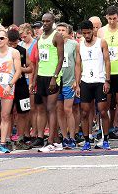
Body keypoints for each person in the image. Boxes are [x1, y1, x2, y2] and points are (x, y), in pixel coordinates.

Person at [75, 19, 111, 151]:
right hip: (85, 81)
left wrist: (107, 80)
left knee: (102, 111)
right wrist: (77, 83)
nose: (86, 35)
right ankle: (86, 141)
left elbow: (107, 61)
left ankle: (105, 139)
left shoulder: (101, 42)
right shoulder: (80, 45)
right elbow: (78, 64)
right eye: (84, 33)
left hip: (100, 80)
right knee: (84, 112)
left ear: (93, 31)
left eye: (88, 32)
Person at [98, 5, 118, 145]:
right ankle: (104, 136)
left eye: (114, 18)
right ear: (106, 17)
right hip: (106, 73)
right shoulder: (101, 31)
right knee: (104, 105)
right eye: (110, 18)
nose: (112, 21)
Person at [33, 13, 65, 152]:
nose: (45, 23)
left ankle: (50, 141)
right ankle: (57, 141)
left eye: (48, 21)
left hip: (53, 76)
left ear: (53, 22)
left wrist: (55, 76)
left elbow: (60, 58)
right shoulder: (40, 38)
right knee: (46, 109)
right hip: (41, 75)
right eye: (43, 21)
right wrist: (35, 79)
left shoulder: (57, 36)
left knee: (51, 109)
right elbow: (40, 60)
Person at [55, 22, 78, 150]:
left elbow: (77, 63)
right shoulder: (53, 45)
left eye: (63, 30)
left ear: (68, 32)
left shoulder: (73, 45)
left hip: (69, 81)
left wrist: (76, 80)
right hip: (57, 81)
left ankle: (72, 137)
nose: (61, 32)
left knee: (68, 109)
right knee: (59, 110)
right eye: (59, 30)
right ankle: (64, 137)